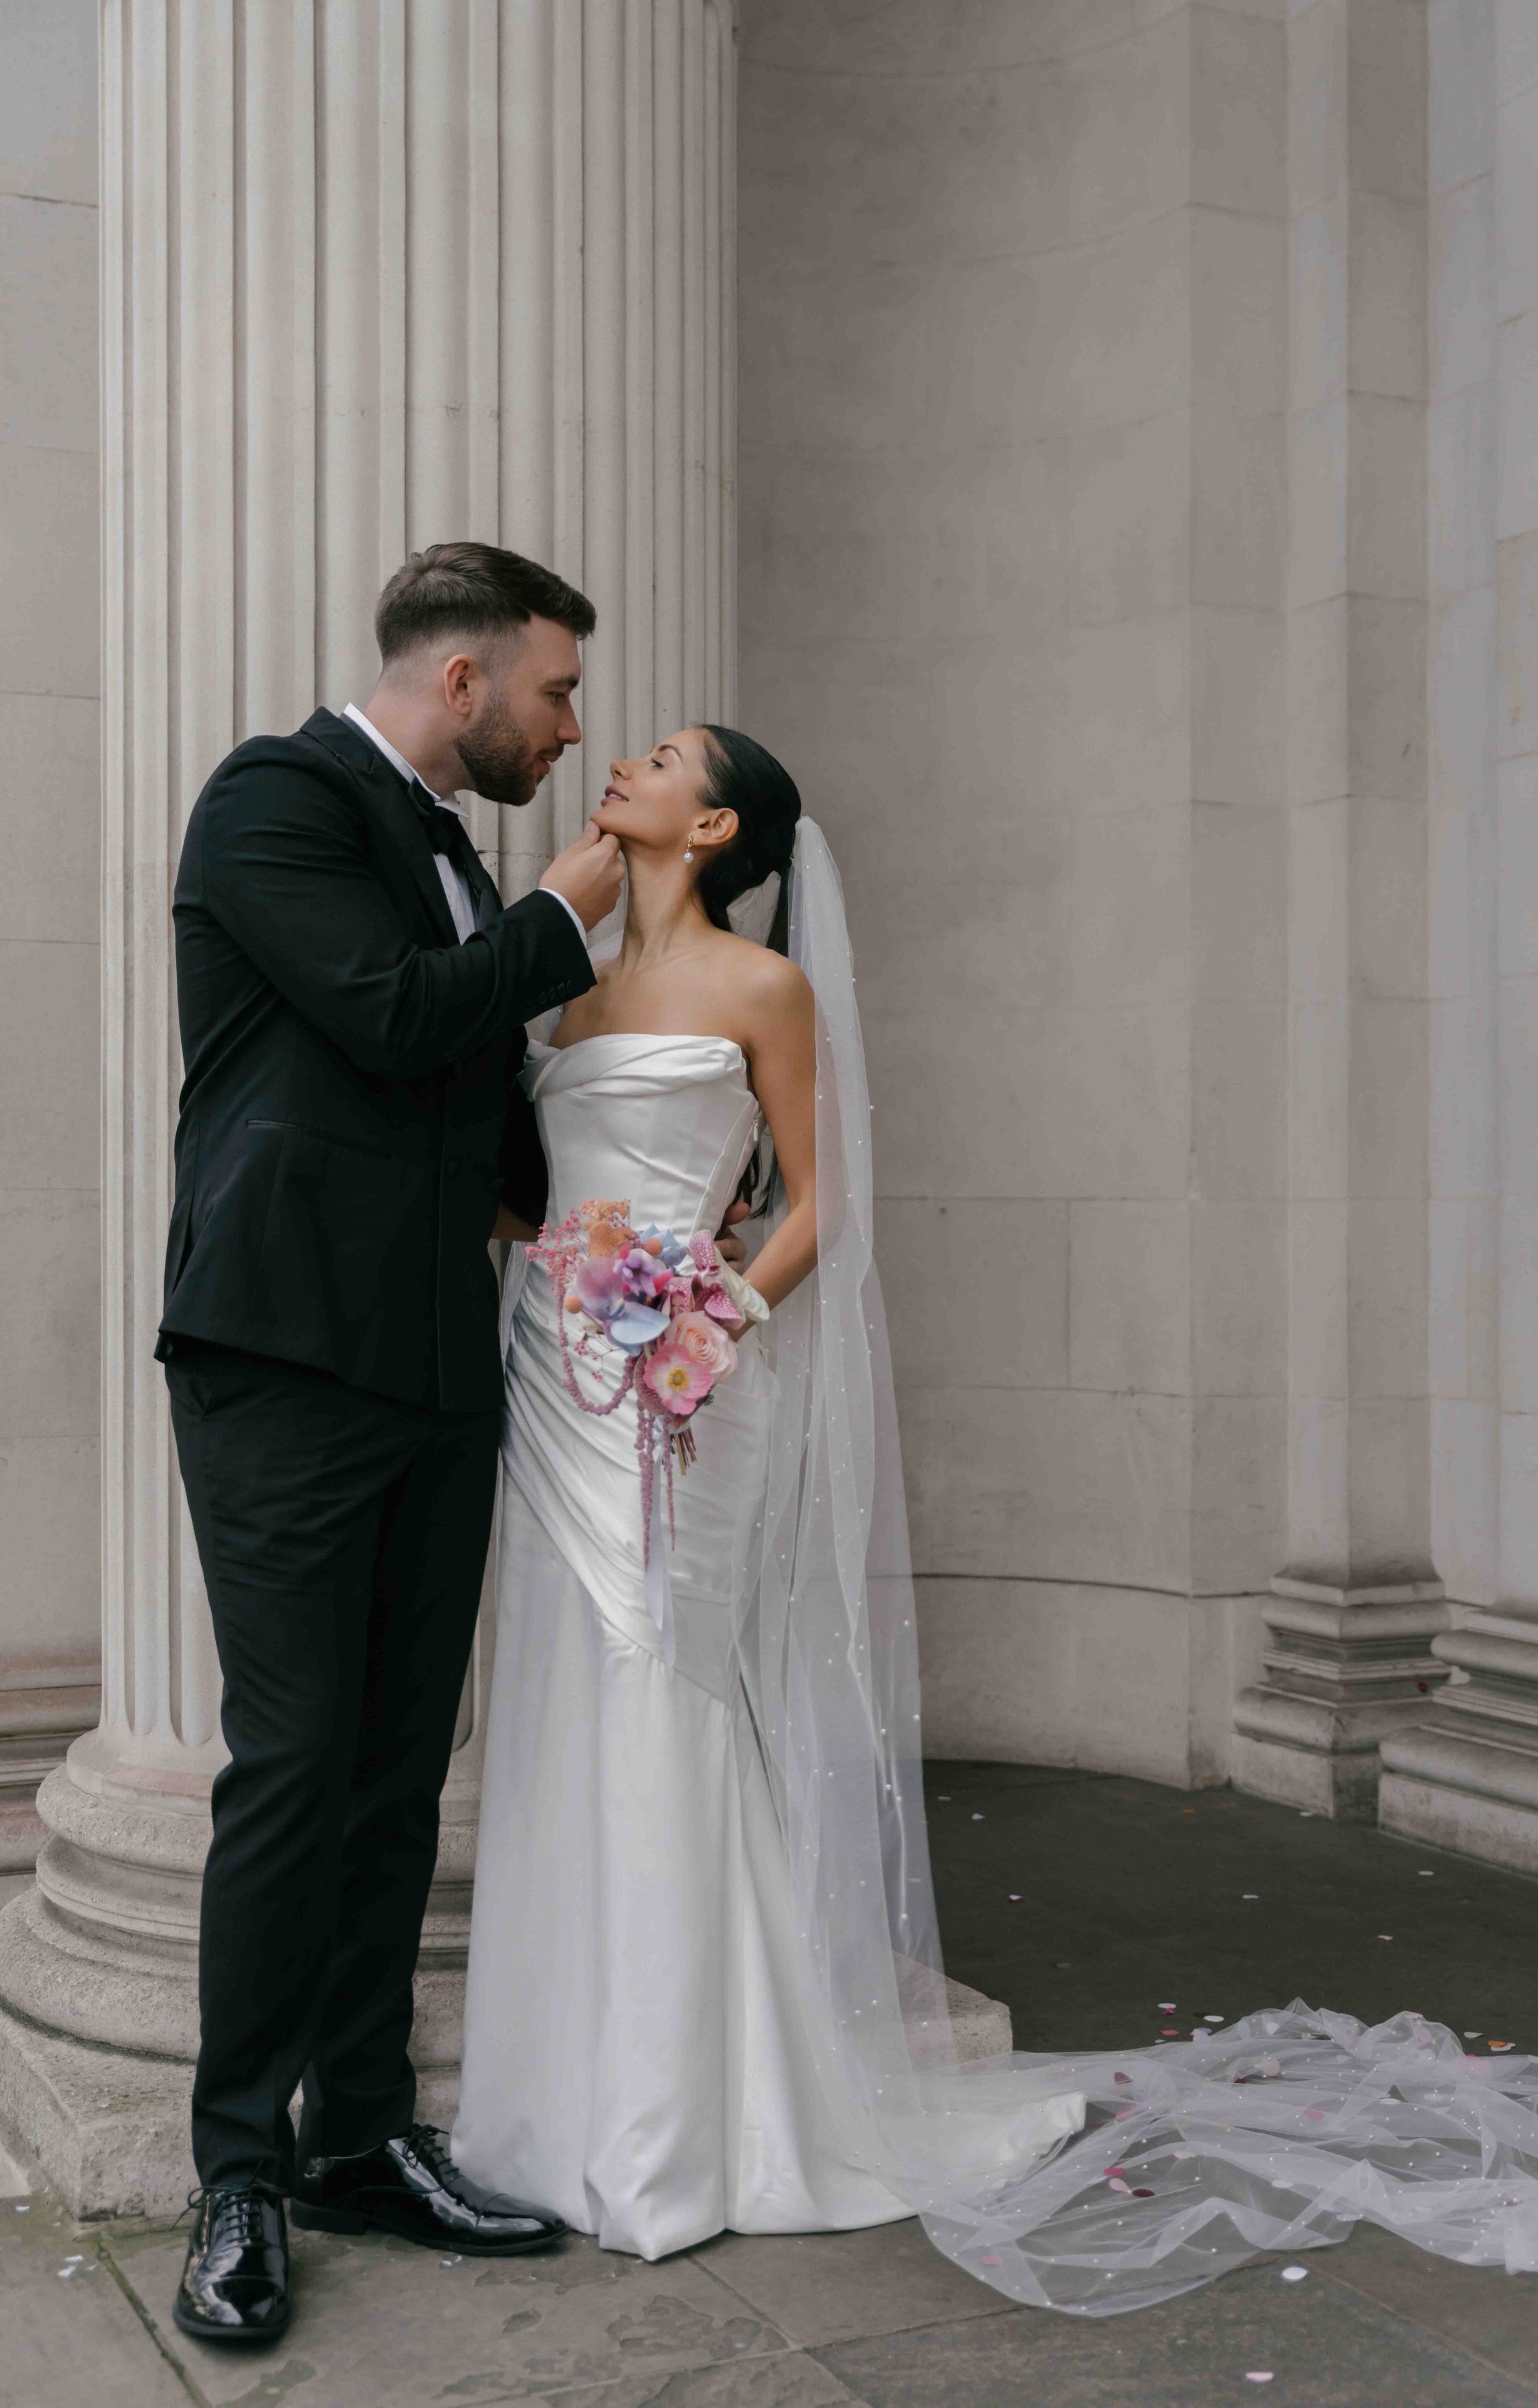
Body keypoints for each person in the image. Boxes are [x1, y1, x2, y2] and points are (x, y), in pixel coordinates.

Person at [455, 724, 1538, 2314]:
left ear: (713, 825)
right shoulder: (567, 989)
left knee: (665, 1687)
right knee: (563, 1690)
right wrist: (567, 1282)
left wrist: (708, 1320)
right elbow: (534, 1185)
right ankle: (556, 2101)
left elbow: (819, 1202)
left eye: (660, 760)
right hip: (555, 1377)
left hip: (688, 1388)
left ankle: (676, 2117)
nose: (624, 766)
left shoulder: (762, 986)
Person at [160, 542, 628, 2346]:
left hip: (441, 1369)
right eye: (554, 691)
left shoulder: (455, 856)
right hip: (284, 1360)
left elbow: (470, 1102)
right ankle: (238, 2173)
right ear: (461, 681)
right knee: (292, 1768)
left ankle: (359, 2136)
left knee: (392, 1775)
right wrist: (566, 918)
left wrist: (640, 1216)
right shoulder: (271, 800)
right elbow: (390, 1013)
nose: (567, 729)